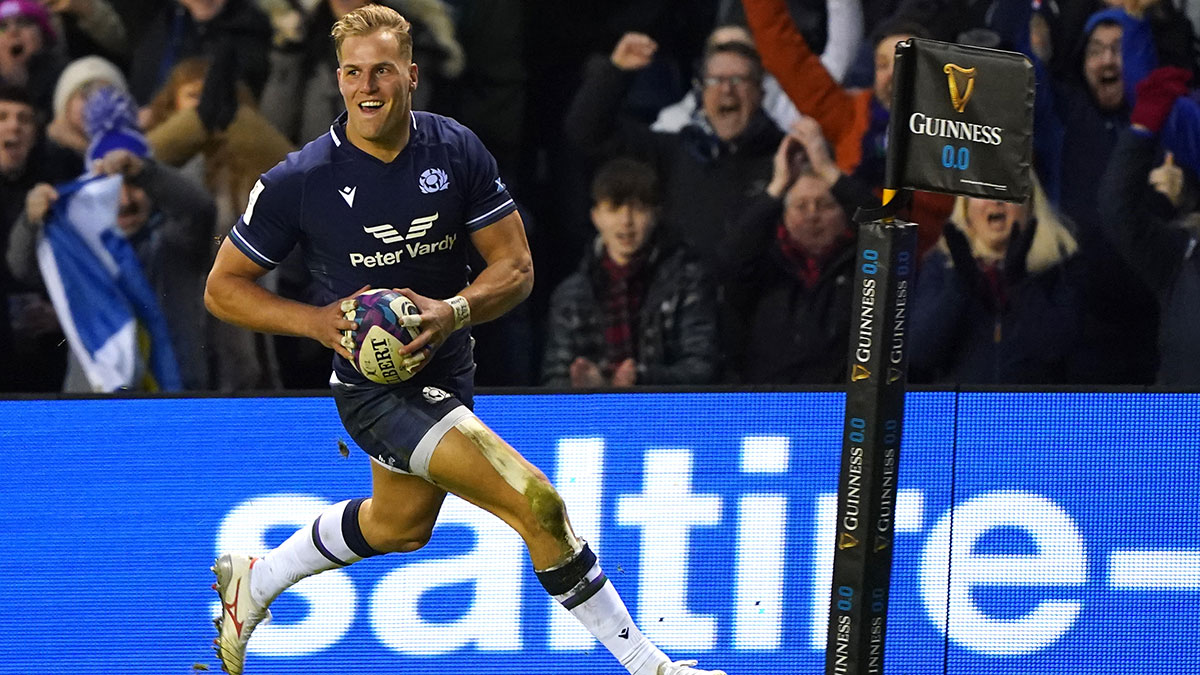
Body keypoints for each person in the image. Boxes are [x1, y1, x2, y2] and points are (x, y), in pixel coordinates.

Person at [204, 6, 725, 675]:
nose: (369, 86)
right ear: (338, 80)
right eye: (355, 72)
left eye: (383, 70)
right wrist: (316, 320)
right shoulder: (301, 179)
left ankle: (259, 576)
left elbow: (517, 269)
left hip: (448, 368)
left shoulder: (454, 150)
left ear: (412, 75)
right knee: (536, 500)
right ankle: (653, 666)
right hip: (375, 389)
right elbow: (223, 288)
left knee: (400, 526)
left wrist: (451, 312)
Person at [541, 156, 719, 387]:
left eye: (638, 208)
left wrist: (640, 379)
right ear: (596, 217)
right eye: (614, 208)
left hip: (668, 416)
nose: (626, 221)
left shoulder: (689, 281)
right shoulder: (571, 294)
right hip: (593, 418)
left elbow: (702, 367)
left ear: (656, 214)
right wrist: (584, 388)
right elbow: (553, 378)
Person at [721, 117, 873, 384]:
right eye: (801, 206)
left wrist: (829, 171)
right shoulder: (765, 263)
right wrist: (777, 187)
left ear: (845, 213)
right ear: (784, 214)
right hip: (768, 401)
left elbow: (889, 230)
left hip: (841, 402)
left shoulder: (864, 263)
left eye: (825, 205)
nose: (812, 216)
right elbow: (730, 258)